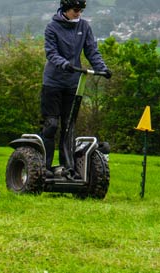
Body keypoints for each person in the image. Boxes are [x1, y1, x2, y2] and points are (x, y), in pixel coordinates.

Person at [40, 0, 111, 176]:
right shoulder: (52, 27)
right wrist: (64, 64)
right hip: (52, 83)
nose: (79, 13)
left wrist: (102, 68)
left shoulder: (84, 27)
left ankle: (67, 167)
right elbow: (51, 53)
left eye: (81, 10)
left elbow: (92, 50)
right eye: (76, 10)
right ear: (65, 9)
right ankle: (45, 167)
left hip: (72, 84)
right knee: (52, 125)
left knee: (68, 126)